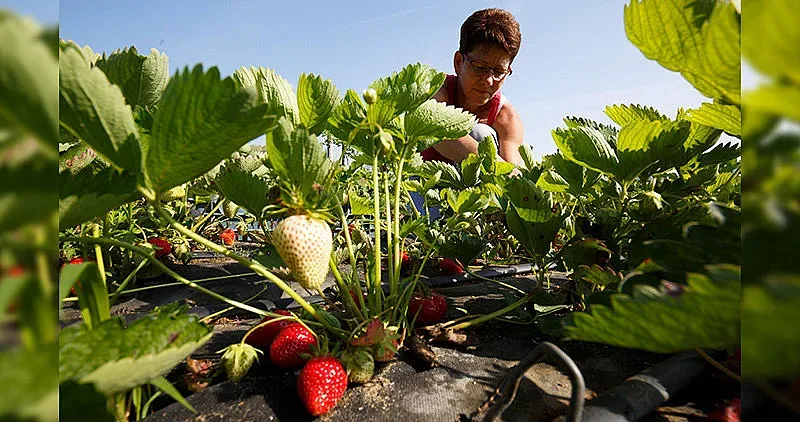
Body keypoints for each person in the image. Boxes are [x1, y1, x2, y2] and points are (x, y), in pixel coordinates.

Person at [421, 8, 524, 167]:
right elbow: (435, 129)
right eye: (480, 67)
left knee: (482, 134)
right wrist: (494, 165)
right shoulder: (438, 88)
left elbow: (512, 170)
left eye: (499, 72)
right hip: (423, 183)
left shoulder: (506, 117)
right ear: (458, 62)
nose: (489, 81)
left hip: (474, 190)